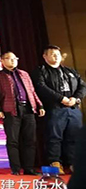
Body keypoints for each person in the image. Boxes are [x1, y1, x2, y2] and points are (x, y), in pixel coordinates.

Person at [32, 45, 86, 175]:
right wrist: (61, 98)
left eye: (58, 54)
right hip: (55, 108)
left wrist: (76, 99)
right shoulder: (41, 71)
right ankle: (55, 162)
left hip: (73, 108)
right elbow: (41, 87)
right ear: (45, 56)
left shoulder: (70, 71)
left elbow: (82, 86)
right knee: (54, 136)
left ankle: (73, 163)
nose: (56, 56)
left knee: (74, 136)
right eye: (52, 54)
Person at [0, 51, 45, 175]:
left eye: (15, 58)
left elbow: (32, 91)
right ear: (2, 61)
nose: (13, 60)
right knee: (13, 140)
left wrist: (39, 105)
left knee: (30, 140)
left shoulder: (24, 74)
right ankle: (15, 169)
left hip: (28, 109)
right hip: (10, 110)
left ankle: (29, 168)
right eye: (9, 58)